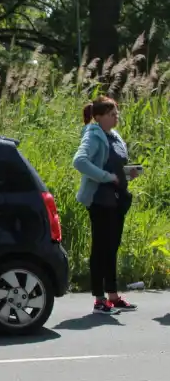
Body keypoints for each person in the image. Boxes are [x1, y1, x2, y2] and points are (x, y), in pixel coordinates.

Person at [73, 95, 140, 315]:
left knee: (112, 248)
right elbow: (80, 161)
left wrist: (127, 173)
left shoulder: (114, 136)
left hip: (117, 200)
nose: (116, 117)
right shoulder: (93, 135)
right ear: (99, 117)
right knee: (100, 249)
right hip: (100, 201)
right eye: (111, 114)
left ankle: (112, 295)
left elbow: (116, 165)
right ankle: (99, 299)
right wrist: (106, 176)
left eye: (116, 113)